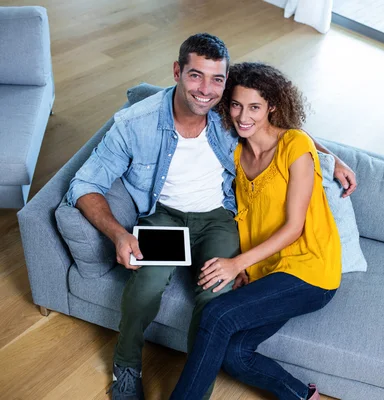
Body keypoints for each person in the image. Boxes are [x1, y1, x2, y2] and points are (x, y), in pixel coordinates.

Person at [66, 34, 356, 400]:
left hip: (224, 222)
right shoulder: (141, 124)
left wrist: (332, 158)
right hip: (165, 217)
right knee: (150, 284)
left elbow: (283, 132)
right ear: (177, 71)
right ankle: (127, 366)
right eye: (195, 76)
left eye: (217, 80)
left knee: (215, 302)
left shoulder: (231, 118)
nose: (206, 90)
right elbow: (84, 184)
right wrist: (118, 235)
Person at [170, 62, 342, 400]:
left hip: (311, 272)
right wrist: (248, 267)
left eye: (254, 107)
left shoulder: (294, 145)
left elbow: (294, 227)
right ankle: (304, 397)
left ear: (272, 107)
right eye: (235, 105)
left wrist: (236, 264)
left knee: (217, 314)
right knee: (234, 354)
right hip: (269, 271)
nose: (242, 116)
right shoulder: (235, 152)